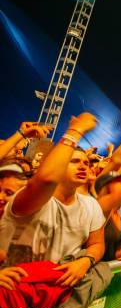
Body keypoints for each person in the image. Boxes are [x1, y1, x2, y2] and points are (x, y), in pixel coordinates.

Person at [0, 113, 105, 288]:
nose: (83, 166)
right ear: (57, 163)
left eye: (86, 163)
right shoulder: (30, 197)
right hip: (14, 294)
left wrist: (87, 260)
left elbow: (97, 243)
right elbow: (46, 179)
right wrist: (75, 130)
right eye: (75, 161)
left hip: (54, 299)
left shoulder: (91, 205)